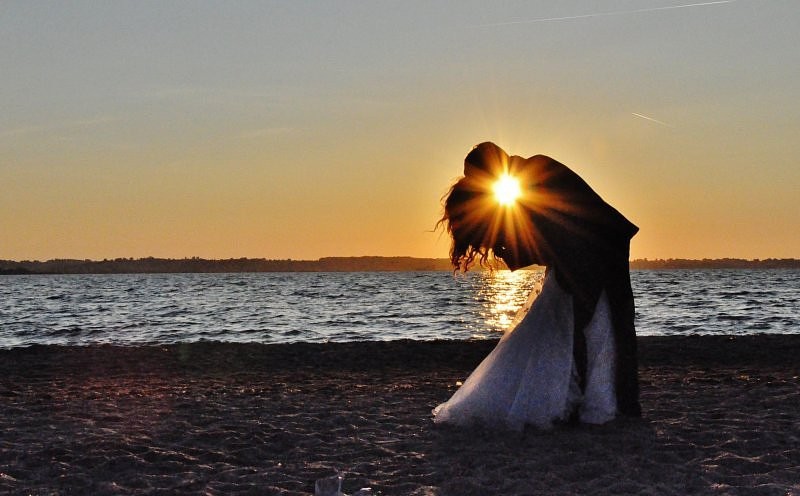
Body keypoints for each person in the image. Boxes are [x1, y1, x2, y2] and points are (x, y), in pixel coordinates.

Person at [433, 142, 640, 430]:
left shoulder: (530, 179)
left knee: (594, 326)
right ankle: (604, 404)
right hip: (584, 251)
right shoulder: (524, 181)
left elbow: (549, 235)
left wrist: (504, 244)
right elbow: (543, 239)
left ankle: (600, 404)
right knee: (597, 325)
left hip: (595, 249)